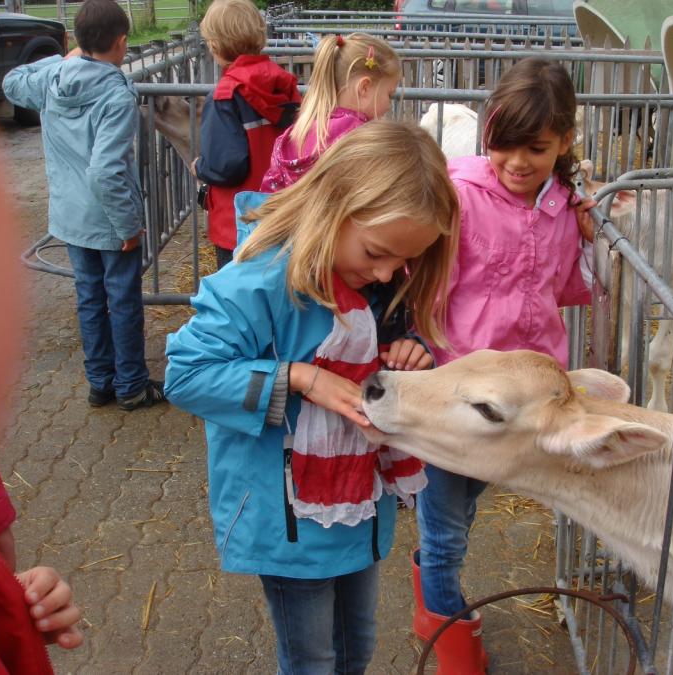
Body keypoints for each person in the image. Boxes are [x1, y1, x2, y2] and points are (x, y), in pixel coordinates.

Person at [164, 120, 459, 674]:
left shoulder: (376, 282)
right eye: (377, 252)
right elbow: (187, 374)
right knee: (312, 660)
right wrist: (299, 377)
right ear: (334, 205)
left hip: (357, 505)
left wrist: (411, 352)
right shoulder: (261, 282)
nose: (388, 271)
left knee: (356, 648)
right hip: (288, 518)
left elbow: (388, 344)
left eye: (403, 261)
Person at [411, 58, 597, 672]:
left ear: (565, 141)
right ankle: (453, 646)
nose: (517, 162)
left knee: (461, 511)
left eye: (536, 149)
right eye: (504, 146)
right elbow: (421, 280)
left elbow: (567, 285)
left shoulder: (565, 206)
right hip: (458, 395)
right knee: (446, 532)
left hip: (521, 401)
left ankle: (429, 608)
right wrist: (408, 344)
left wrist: (594, 229)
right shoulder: (458, 195)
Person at [2, 0, 165, 411]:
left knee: (90, 296)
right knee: (122, 299)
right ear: (122, 42)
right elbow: (106, 171)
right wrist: (128, 226)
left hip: (70, 217)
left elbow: (12, 81)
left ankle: (99, 380)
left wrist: (64, 58)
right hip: (109, 221)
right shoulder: (116, 94)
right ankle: (130, 384)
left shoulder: (52, 77)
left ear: (77, 39)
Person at [0, 110, 83, 673]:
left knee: (94, 301)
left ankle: (109, 378)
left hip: (75, 219)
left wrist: (11, 597)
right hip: (100, 220)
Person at [191, 0, 301, 270]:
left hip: (238, 223)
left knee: (238, 299)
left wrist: (200, 168)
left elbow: (227, 166)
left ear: (214, 46)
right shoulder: (284, 85)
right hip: (283, 214)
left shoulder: (224, 96)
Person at [259, 32, 399, 193]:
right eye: (390, 94)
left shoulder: (299, 131)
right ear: (364, 87)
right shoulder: (361, 138)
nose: (389, 105)